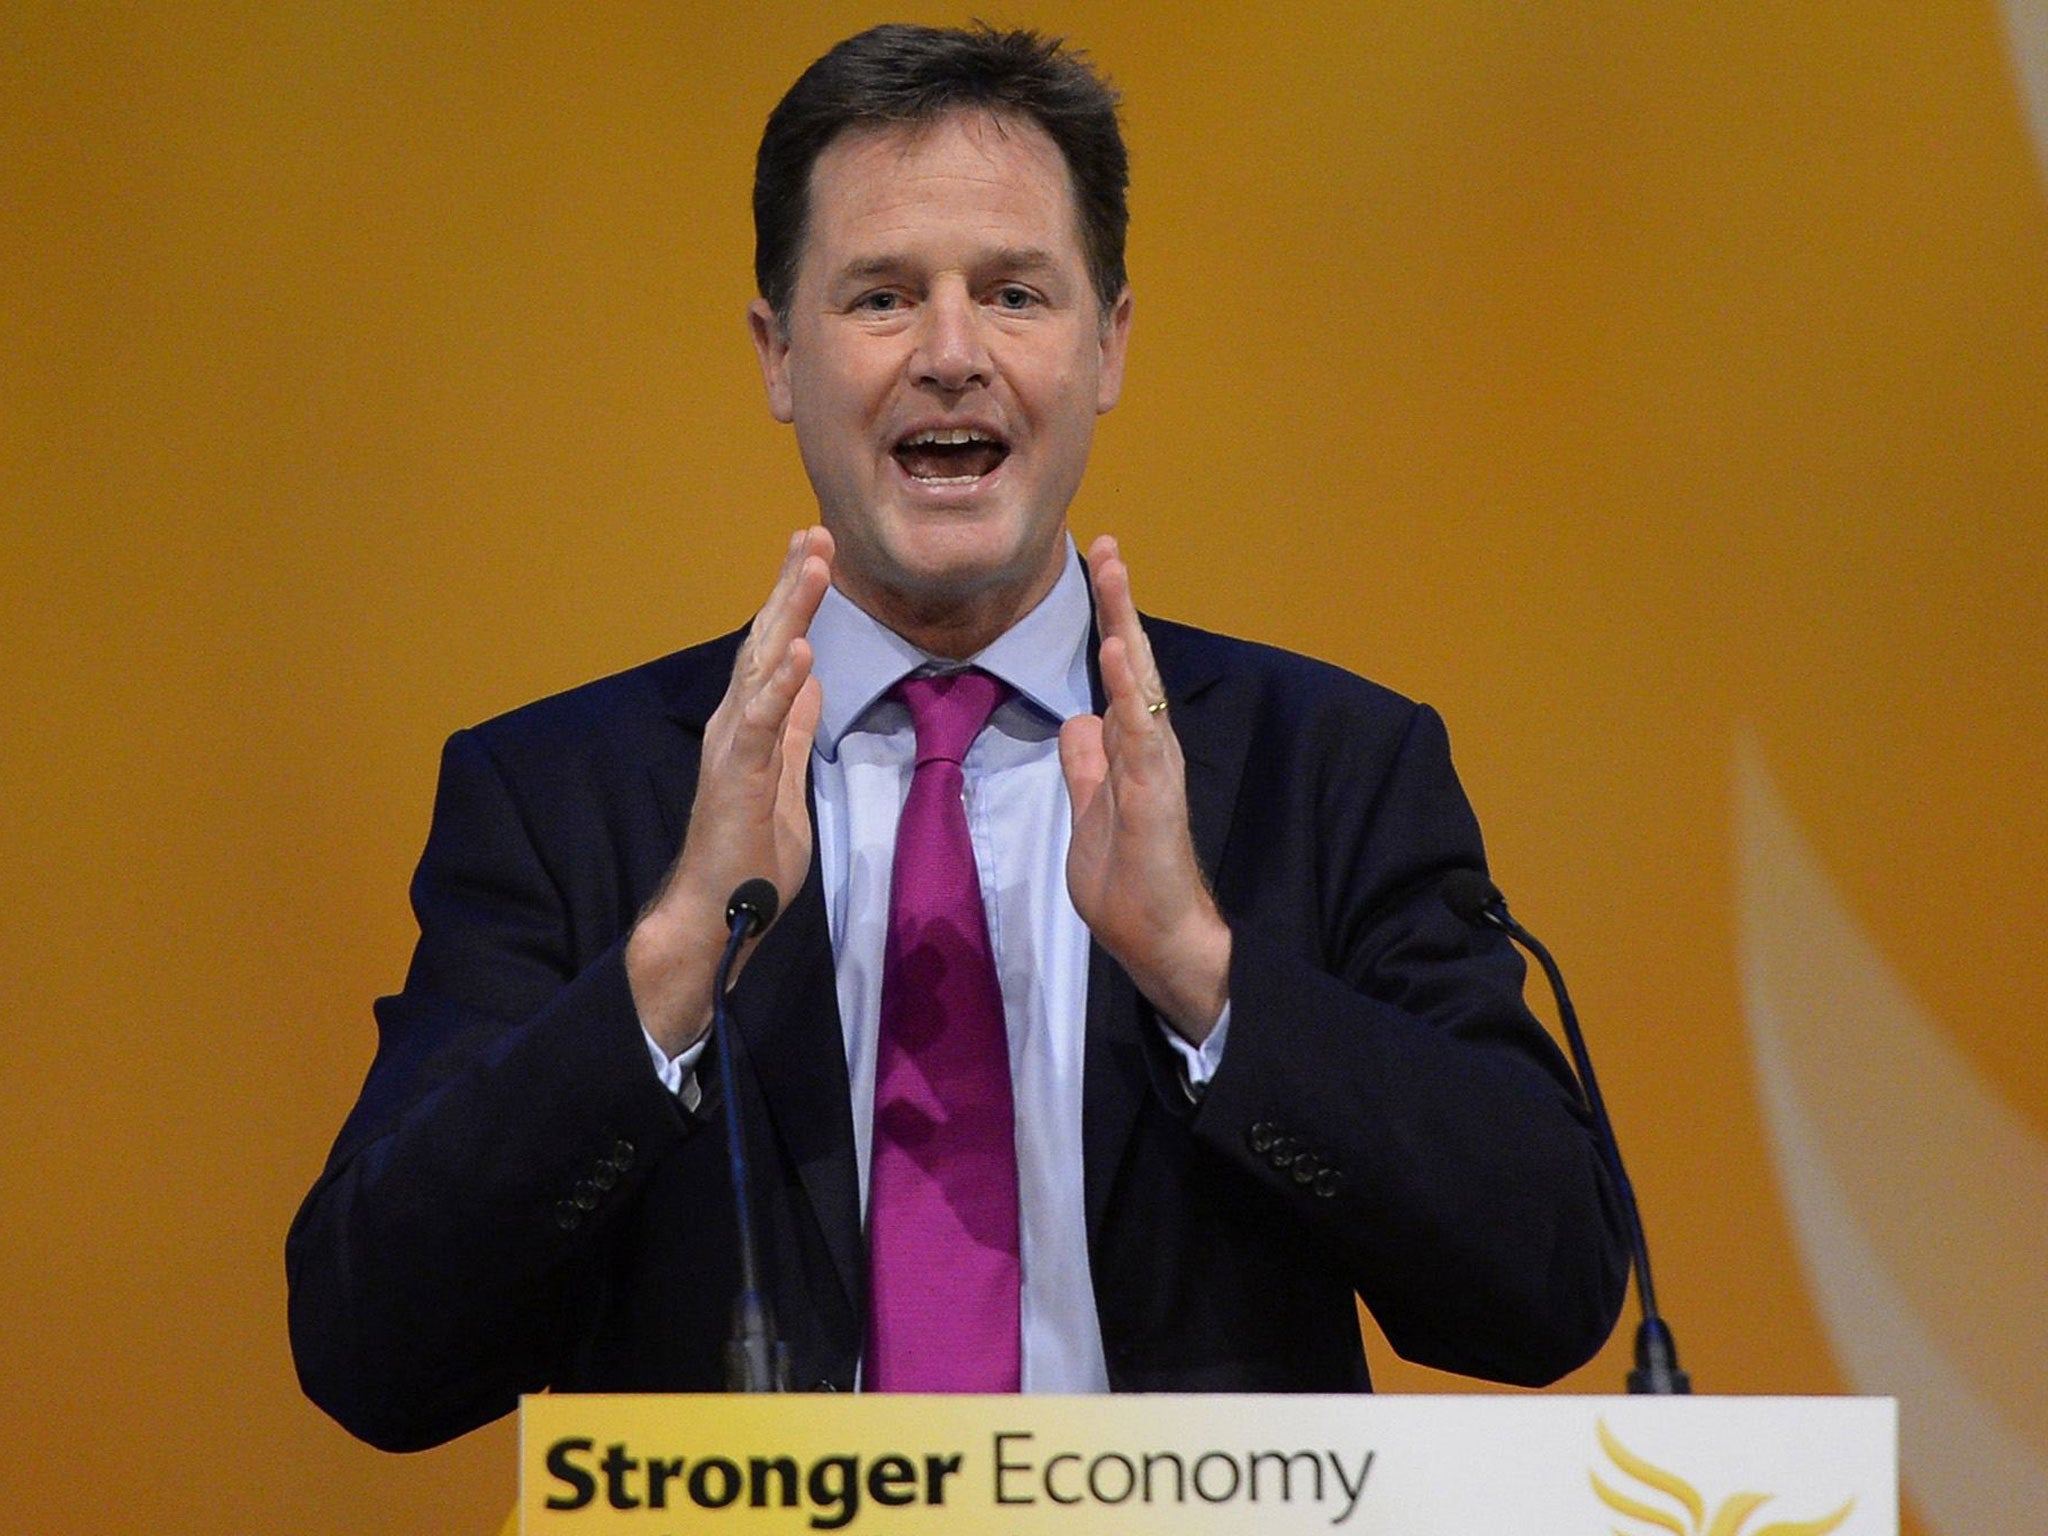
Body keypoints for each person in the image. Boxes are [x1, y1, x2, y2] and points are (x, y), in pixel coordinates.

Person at [288, 23, 1626, 1452]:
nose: (948, 355)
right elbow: (375, 1349)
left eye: (1014, 293)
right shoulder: (569, 798)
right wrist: (675, 954)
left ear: (1107, 343)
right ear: (778, 354)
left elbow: (1545, 1286)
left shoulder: (1327, 768)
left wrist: (1205, 972)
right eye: (878, 296)